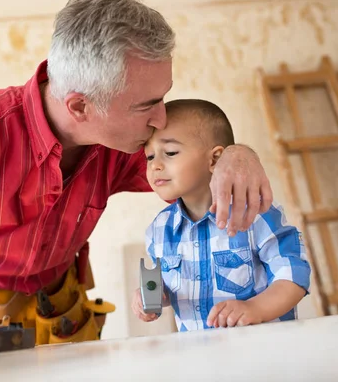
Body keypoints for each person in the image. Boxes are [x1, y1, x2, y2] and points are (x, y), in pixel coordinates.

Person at [0, 0, 273, 359]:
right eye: (145, 106)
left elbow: (197, 163)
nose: (161, 119)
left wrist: (236, 152)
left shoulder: (129, 143)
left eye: (163, 98)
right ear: (80, 106)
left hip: (58, 311)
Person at [131, 99, 310, 331]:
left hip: (264, 352)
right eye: (150, 156)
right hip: (201, 357)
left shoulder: (254, 213)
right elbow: (169, 288)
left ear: (214, 159)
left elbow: (294, 274)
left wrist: (255, 308)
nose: (155, 166)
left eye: (170, 152)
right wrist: (150, 296)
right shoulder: (159, 230)